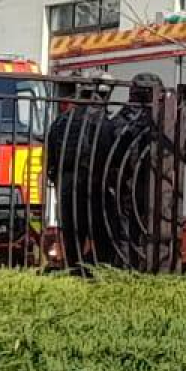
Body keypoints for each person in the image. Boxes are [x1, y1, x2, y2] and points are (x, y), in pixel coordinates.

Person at [103, 74, 181, 272]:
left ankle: (129, 270)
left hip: (128, 183)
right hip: (155, 185)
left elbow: (107, 152)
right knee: (155, 229)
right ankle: (153, 269)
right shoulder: (164, 118)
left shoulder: (121, 120)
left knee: (127, 230)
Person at [42, 79, 117, 272]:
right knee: (101, 232)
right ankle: (100, 272)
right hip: (93, 184)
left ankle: (74, 270)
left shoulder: (60, 122)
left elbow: (50, 158)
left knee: (72, 233)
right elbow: (109, 155)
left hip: (66, 185)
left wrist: (58, 179)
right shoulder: (101, 121)